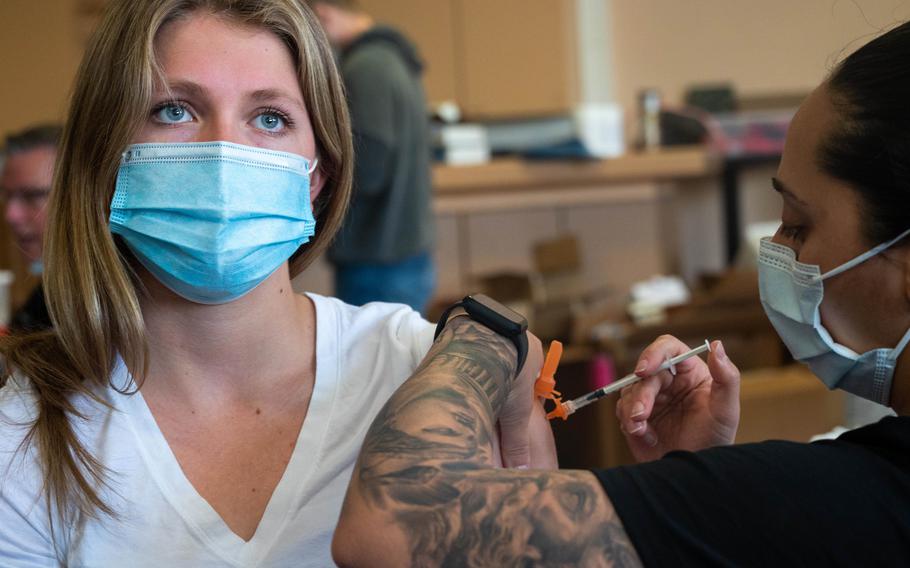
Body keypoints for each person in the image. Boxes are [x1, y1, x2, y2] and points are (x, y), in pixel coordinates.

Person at [332, 21, 910, 567]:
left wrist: (485, 331)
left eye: (796, 223)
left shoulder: (851, 498)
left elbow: (391, 530)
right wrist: (690, 495)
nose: (779, 250)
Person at [0, 1, 553, 566]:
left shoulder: (432, 377)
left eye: (269, 118)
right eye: (173, 110)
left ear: (318, 176)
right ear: (103, 156)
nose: (223, 152)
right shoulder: (23, 436)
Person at [307, 0, 436, 315]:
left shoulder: (366, 67)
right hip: (403, 253)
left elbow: (369, 166)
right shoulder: (394, 59)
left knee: (372, 364)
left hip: (377, 259)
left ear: (323, 15)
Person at [0, 125, 60, 332]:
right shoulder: (44, 299)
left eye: (32, 196)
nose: (11, 215)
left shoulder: (116, 303)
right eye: (6, 196)